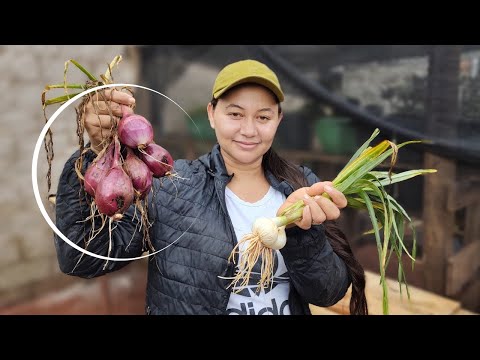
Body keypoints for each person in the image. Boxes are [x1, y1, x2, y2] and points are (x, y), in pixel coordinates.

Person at [54, 59, 368, 315]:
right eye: (234, 114)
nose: (248, 130)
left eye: (263, 116)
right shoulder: (171, 188)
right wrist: (93, 156)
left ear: (279, 119)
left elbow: (328, 293)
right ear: (211, 114)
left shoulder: (301, 187)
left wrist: (304, 235)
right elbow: (81, 258)